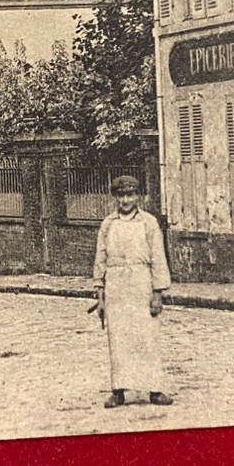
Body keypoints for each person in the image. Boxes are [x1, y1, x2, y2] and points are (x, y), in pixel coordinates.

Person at [92, 175, 173, 409]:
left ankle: (154, 390)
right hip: (116, 285)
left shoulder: (148, 223)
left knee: (146, 337)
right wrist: (100, 294)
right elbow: (100, 259)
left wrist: (157, 293)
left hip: (141, 283)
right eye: (121, 195)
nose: (125, 200)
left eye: (130, 195)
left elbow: (158, 257)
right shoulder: (108, 224)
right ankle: (118, 391)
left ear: (138, 196)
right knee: (118, 339)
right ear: (115, 197)